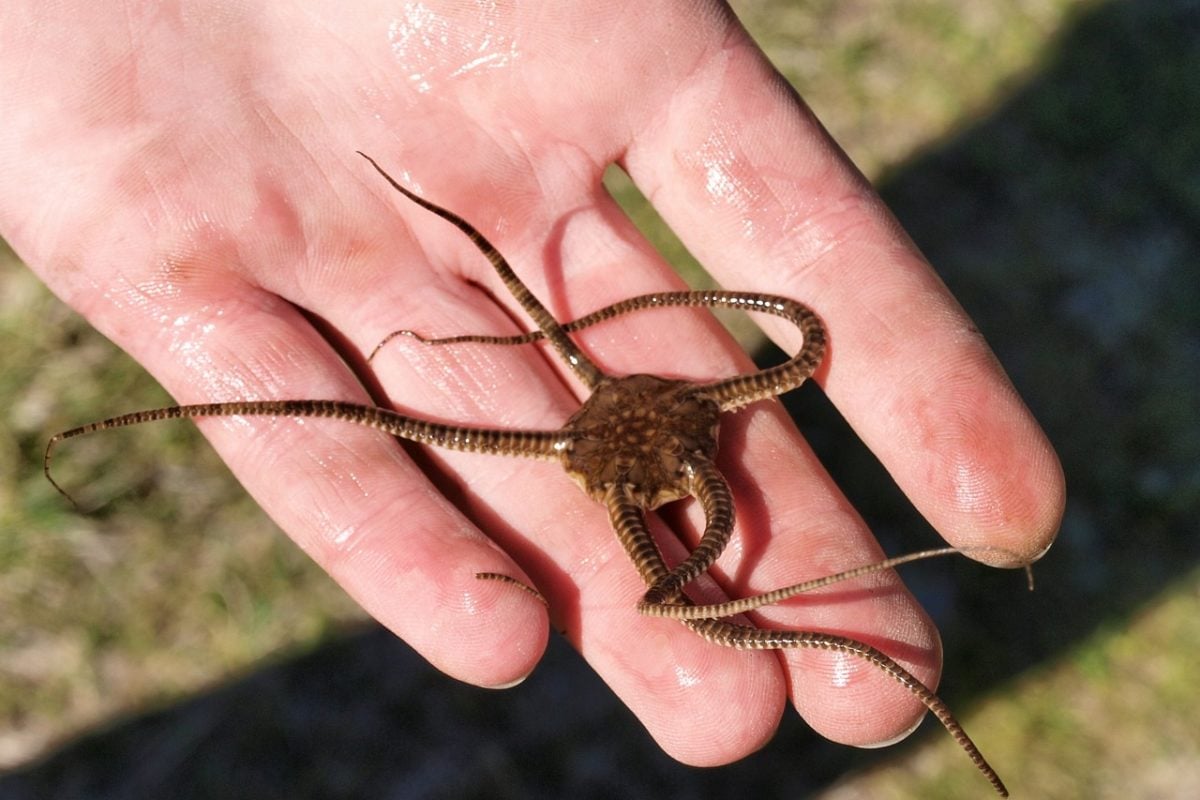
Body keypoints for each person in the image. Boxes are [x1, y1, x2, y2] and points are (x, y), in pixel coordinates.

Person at [0, 1, 1062, 767]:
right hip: (618, 428)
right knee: (348, 409)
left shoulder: (676, 453)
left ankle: (855, 651)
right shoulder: (632, 459)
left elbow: (801, 346)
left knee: (668, 585)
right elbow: (794, 352)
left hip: (646, 422)